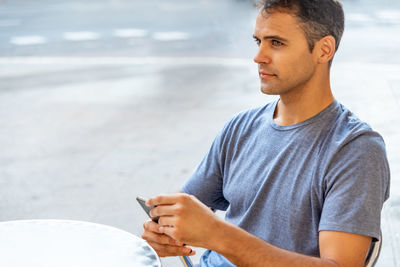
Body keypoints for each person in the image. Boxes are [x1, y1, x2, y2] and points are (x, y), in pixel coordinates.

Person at [141, 0, 390, 266]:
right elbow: (187, 209)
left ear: (323, 50)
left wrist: (218, 234)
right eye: (258, 41)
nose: (259, 56)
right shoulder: (240, 127)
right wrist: (164, 231)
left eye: (276, 43)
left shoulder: (355, 150)